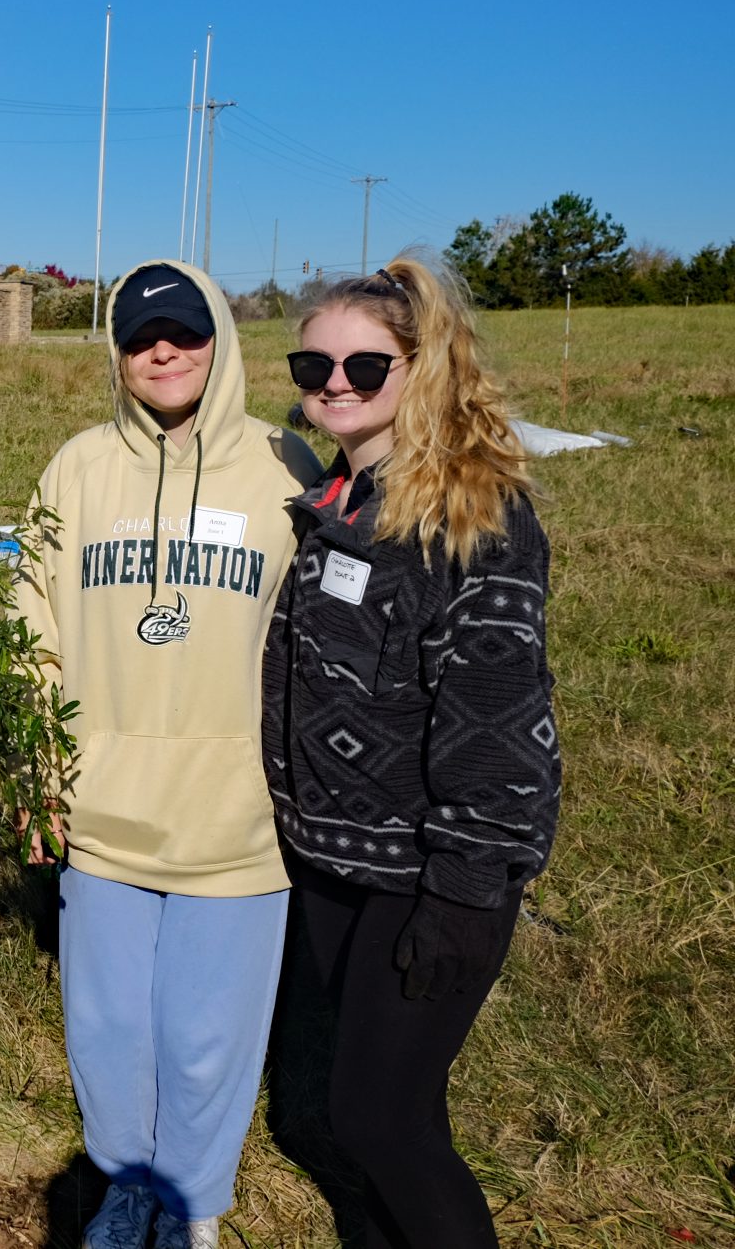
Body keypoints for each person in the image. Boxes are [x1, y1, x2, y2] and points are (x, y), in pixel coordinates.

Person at [11, 260, 321, 1249]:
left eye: (183, 332)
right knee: (107, 1030)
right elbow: (30, 627)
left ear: (217, 338)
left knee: (201, 1039)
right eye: (140, 338)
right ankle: (123, 1187)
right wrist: (37, 769)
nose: (162, 352)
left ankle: (190, 1204)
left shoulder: (283, 464)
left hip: (236, 821)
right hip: (101, 811)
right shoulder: (77, 469)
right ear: (116, 352)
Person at [263, 259, 560, 1249]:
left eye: (363, 365)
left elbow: (494, 718)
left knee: (377, 1121)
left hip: (426, 874)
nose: (333, 383)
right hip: (333, 862)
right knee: (383, 1113)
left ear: (421, 367)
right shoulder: (335, 499)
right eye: (313, 364)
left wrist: (464, 890)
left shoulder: (473, 515)